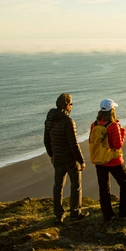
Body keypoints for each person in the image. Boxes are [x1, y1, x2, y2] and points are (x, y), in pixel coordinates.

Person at [44, 93, 88, 223]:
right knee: (76, 185)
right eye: (71, 104)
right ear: (67, 105)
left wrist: (51, 154)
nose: (72, 107)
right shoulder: (68, 122)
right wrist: (81, 161)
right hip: (70, 159)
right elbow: (74, 144)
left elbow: (46, 140)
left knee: (58, 185)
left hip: (57, 158)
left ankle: (58, 213)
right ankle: (75, 212)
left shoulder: (49, 120)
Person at [90, 98, 126, 222]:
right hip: (113, 160)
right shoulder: (113, 125)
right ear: (112, 110)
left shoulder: (94, 124)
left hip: (100, 160)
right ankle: (124, 213)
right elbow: (117, 145)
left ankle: (107, 215)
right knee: (125, 184)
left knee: (104, 187)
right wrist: (122, 132)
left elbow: (92, 142)